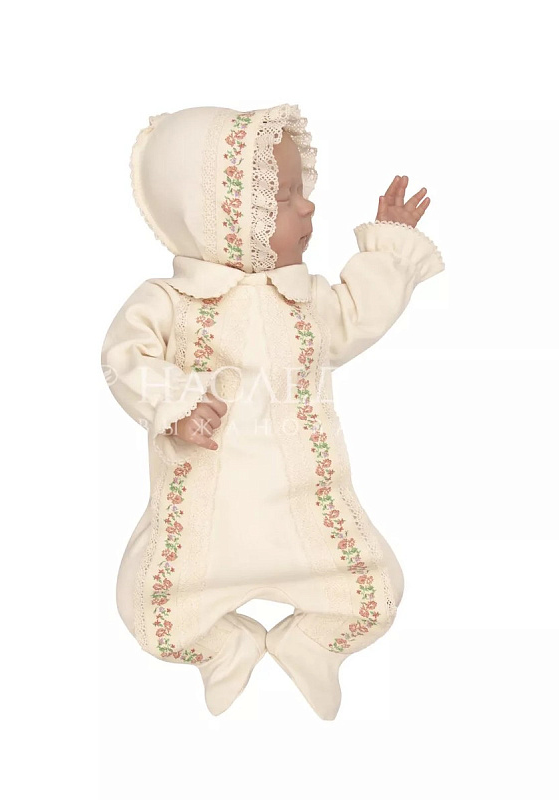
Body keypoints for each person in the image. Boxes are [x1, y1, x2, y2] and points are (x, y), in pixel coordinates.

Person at [101, 104, 445, 719]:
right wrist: (176, 401)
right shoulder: (172, 302)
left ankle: (310, 644)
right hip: (207, 522)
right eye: (282, 198)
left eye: (301, 191)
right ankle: (224, 648)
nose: (307, 208)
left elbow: (357, 314)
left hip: (306, 508)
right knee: (149, 613)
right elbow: (125, 356)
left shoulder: (305, 299)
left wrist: (389, 251)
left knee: (377, 596)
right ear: (220, 218)